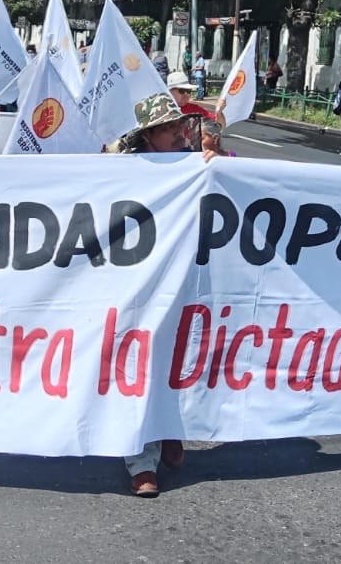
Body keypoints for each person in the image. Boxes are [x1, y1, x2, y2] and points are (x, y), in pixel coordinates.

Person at [114, 92, 223, 496]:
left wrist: (215, 168)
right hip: (138, 286)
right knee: (139, 365)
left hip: (185, 282)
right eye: (168, 129)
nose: (180, 134)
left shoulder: (197, 165)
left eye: (180, 126)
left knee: (182, 359)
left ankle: (168, 428)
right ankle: (141, 460)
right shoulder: (124, 171)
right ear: (148, 138)